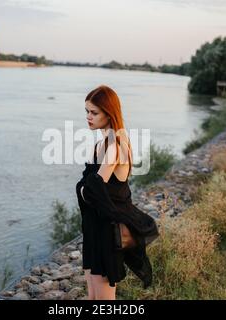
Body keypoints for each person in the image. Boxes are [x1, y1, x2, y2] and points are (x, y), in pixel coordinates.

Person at [75, 85, 159, 300]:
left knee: (104, 301)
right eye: (86, 111)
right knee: (93, 296)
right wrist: (86, 190)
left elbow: (94, 189)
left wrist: (86, 190)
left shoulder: (116, 145)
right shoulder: (101, 144)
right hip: (94, 228)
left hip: (106, 231)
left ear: (109, 113)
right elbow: (91, 188)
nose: (88, 117)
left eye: (94, 112)